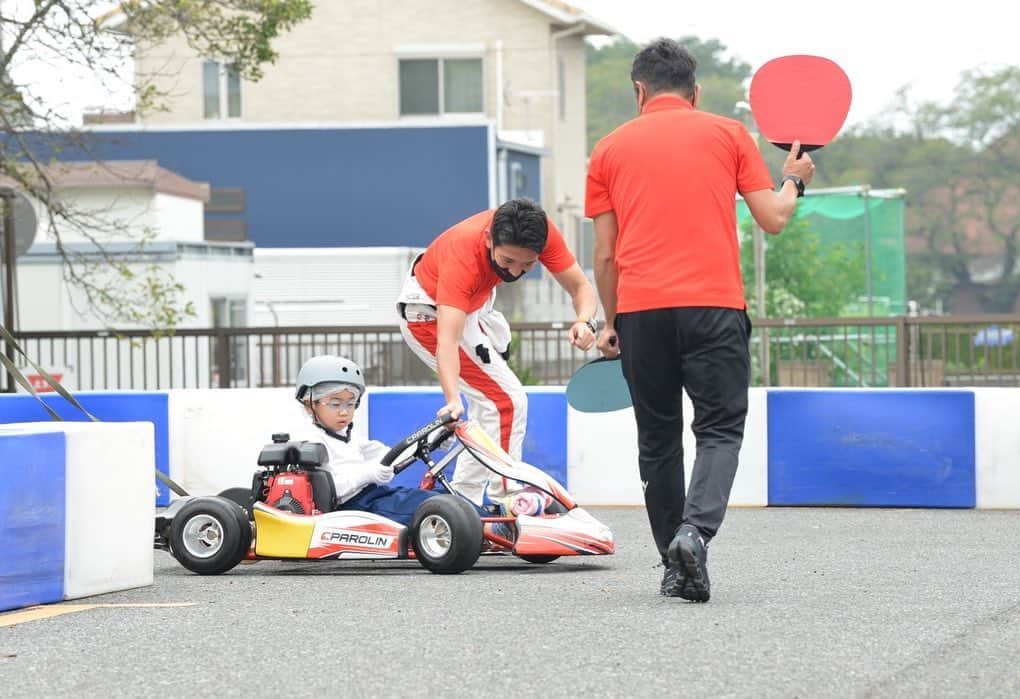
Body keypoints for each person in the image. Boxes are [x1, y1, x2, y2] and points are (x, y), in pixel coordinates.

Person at [584, 38, 815, 602]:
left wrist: (608, 322)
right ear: (697, 90)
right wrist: (795, 177)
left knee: (658, 439)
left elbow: (606, 255)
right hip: (714, 306)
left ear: (639, 90)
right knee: (718, 430)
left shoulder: (608, 149)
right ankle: (696, 533)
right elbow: (774, 219)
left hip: (640, 310)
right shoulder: (728, 134)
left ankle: (674, 562)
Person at [396, 198, 598, 506]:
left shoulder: (542, 233)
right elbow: (447, 340)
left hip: (474, 307)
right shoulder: (463, 254)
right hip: (428, 314)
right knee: (506, 401)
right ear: (489, 238)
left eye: (527, 265)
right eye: (507, 262)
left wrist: (585, 322)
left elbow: (581, 288)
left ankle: (465, 501)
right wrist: (452, 399)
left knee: (494, 402)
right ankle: (506, 499)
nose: (515, 272)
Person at [295, 354, 439, 526]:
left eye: (350, 404)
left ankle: (477, 521)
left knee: (437, 497)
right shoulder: (311, 442)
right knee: (432, 506)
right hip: (351, 507)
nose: (344, 412)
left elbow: (390, 455)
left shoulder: (349, 436)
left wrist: (434, 438)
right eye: (335, 404)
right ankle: (475, 524)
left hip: (372, 497)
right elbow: (329, 489)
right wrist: (369, 473)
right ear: (309, 404)